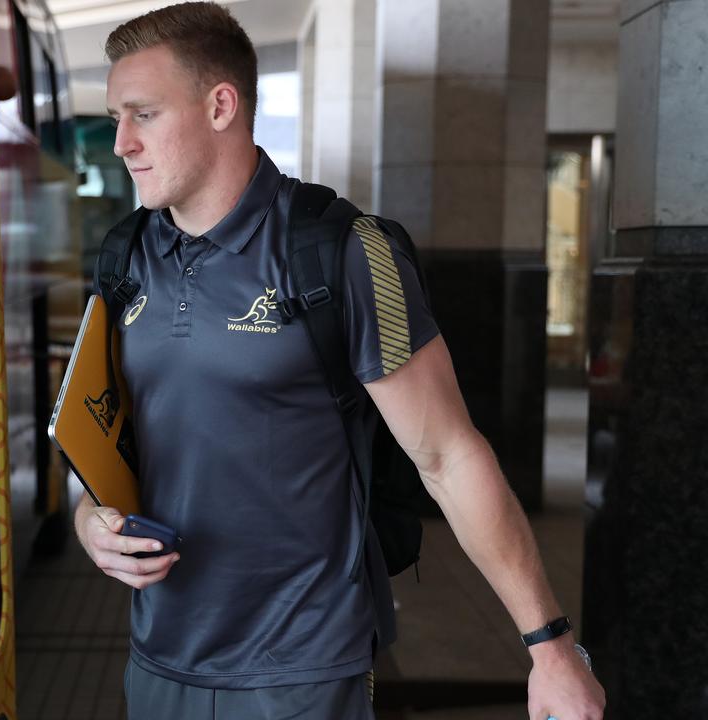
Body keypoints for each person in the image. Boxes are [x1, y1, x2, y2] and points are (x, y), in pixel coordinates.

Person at [72, 3, 607, 719]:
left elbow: (448, 455)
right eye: (115, 117)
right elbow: (108, 436)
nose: (121, 142)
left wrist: (549, 645)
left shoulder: (341, 252)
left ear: (221, 105)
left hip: (301, 671)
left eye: (142, 114)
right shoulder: (126, 257)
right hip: (158, 660)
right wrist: (88, 518)